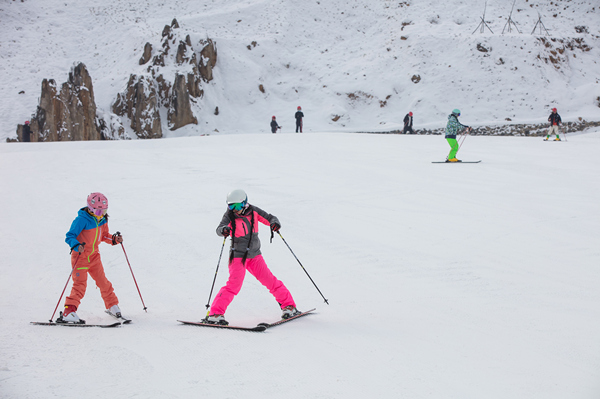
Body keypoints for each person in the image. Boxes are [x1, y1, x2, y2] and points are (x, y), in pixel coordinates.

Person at [205, 189, 300, 325]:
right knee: (233, 285)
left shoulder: (254, 211)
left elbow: (270, 218)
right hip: (238, 256)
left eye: (237, 206)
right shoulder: (230, 215)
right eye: (231, 206)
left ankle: (289, 307)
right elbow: (220, 228)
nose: (234, 210)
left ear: (244, 203)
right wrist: (224, 230)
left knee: (270, 281)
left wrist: (275, 224)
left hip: (255, 256)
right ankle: (215, 314)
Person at [60, 192, 124, 323]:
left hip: (94, 257)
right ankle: (69, 311)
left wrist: (114, 239)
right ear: (90, 208)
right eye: (98, 211)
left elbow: (104, 235)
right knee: (80, 285)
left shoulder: (103, 220)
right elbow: (69, 236)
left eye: (104, 210)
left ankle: (112, 305)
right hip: (80, 257)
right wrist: (77, 245)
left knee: (103, 282)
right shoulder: (81, 220)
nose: (101, 214)